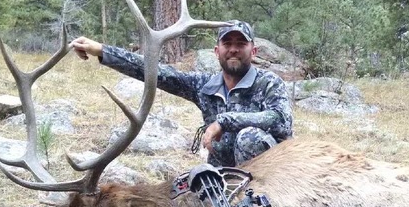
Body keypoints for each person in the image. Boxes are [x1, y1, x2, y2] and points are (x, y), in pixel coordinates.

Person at [69, 20, 293, 167]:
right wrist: (102, 51)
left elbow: (281, 121)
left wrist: (225, 121)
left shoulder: (269, 83)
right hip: (224, 174)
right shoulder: (205, 86)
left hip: (271, 175)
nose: (233, 49)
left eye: (241, 44)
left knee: (249, 138)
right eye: (227, 43)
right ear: (217, 51)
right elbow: (157, 72)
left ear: (252, 51)